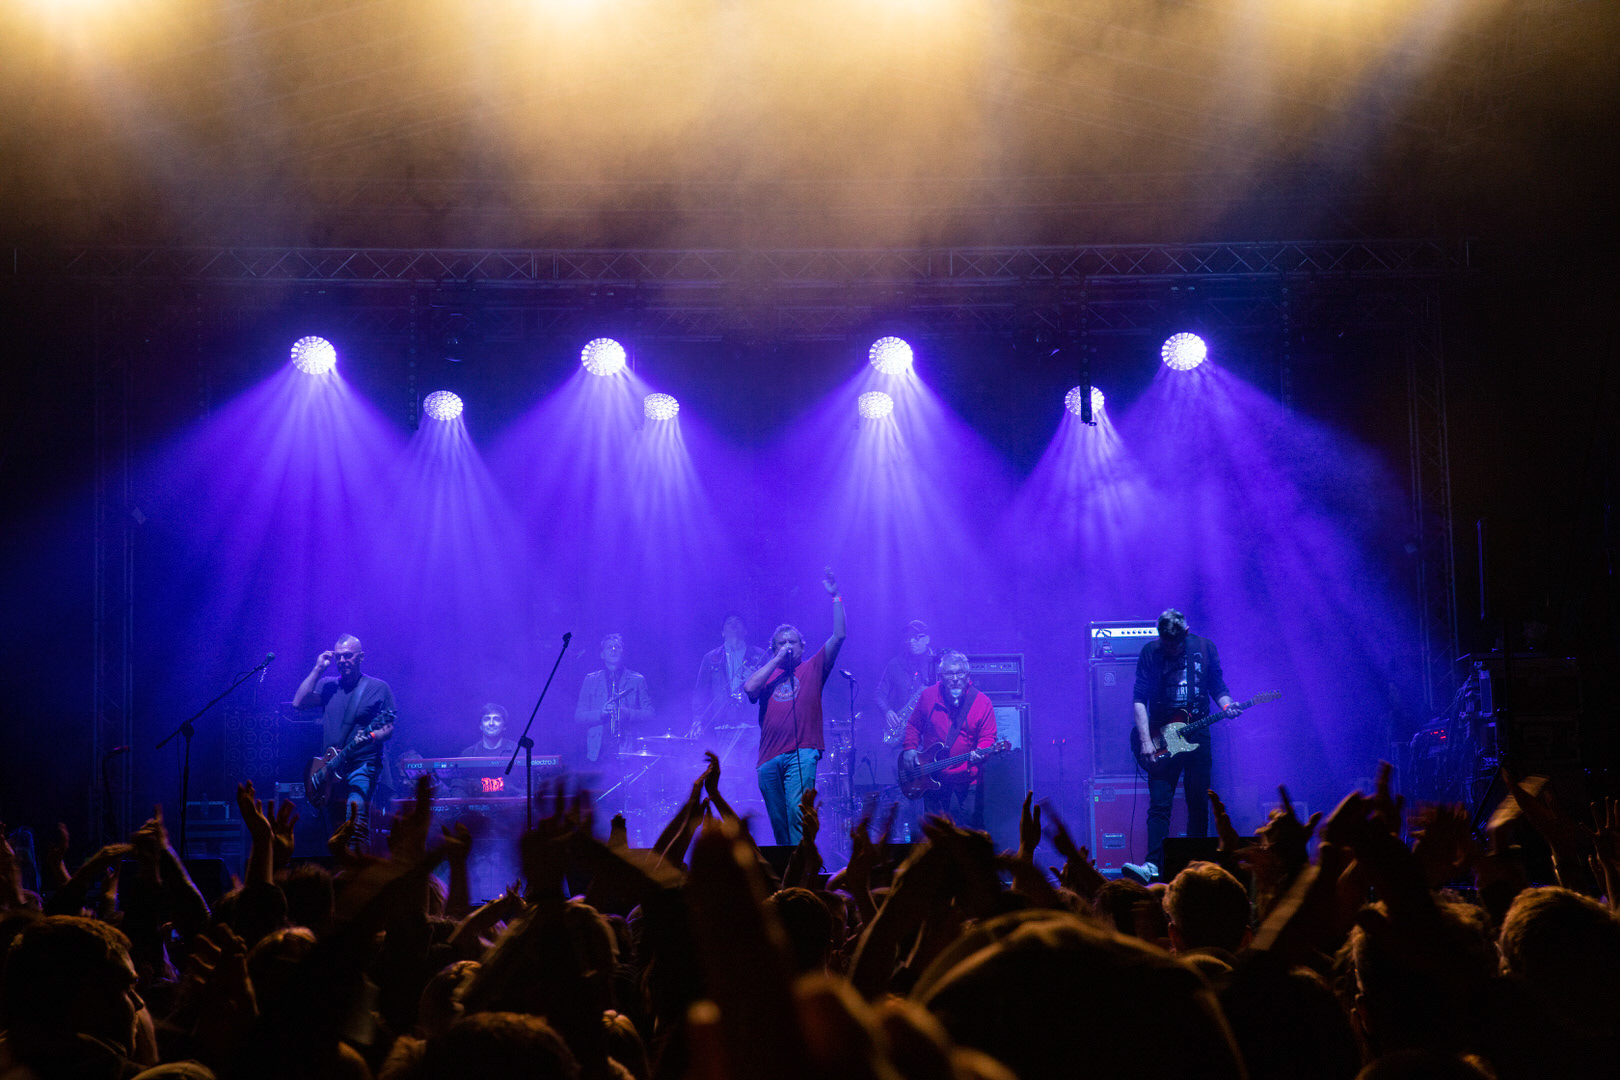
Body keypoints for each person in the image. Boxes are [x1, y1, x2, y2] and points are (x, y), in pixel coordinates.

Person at [1121, 609, 1234, 884]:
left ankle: (1197, 866)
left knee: (1198, 801)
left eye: (1175, 642)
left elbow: (1217, 685)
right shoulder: (1151, 652)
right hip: (1161, 736)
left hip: (1197, 734)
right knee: (1160, 804)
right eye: (1165, 641)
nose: (1170, 647)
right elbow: (1139, 699)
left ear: (1186, 632)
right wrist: (1146, 741)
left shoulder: (1205, 648)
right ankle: (1152, 865)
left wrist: (1228, 705)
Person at [742, 568, 846, 845]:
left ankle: (803, 873)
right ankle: (789, 873)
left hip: (801, 752)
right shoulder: (767, 673)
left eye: (793, 642)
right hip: (767, 757)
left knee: (796, 812)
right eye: (781, 643)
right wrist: (776, 660)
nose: (788, 647)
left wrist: (836, 597)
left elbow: (839, 636)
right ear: (773, 647)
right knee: (779, 822)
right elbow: (749, 688)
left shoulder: (813, 667)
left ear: (803, 645)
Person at [293, 633, 397, 840]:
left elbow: (389, 728)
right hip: (331, 766)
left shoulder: (378, 688)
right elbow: (299, 702)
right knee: (336, 829)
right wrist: (318, 668)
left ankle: (358, 863)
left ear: (361, 657)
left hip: (362, 763)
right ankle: (343, 867)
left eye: (348, 655)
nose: (342, 661)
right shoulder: (328, 685)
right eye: (338, 656)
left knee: (355, 820)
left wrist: (372, 736)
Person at [899, 649, 1000, 828]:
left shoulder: (982, 702)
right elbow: (914, 725)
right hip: (933, 775)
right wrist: (909, 748)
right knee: (935, 833)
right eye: (949, 673)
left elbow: (988, 737)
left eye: (960, 673)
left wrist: (981, 752)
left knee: (971, 832)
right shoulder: (928, 696)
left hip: (967, 777)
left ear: (968, 675)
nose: (955, 678)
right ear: (941, 676)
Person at [573, 634, 653, 767]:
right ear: (602, 654)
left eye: (618, 647)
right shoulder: (590, 680)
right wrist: (600, 713)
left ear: (623, 652)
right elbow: (579, 716)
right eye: (609, 647)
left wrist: (628, 713)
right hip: (597, 752)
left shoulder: (637, 679)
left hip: (627, 749)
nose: (614, 649)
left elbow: (650, 713)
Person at [690, 614, 767, 738]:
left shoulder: (759, 655)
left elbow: (770, 688)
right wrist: (697, 719)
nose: (733, 623)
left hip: (752, 724)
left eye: (738, 621)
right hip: (723, 724)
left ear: (745, 631)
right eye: (729, 622)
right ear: (722, 632)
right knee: (725, 758)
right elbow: (701, 691)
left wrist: (755, 679)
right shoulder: (711, 658)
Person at [875, 620, 938, 746]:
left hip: (930, 732)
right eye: (908, 638)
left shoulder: (937, 664)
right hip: (902, 734)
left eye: (917, 637)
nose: (911, 641)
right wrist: (887, 711)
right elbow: (879, 694)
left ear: (927, 639)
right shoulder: (895, 664)